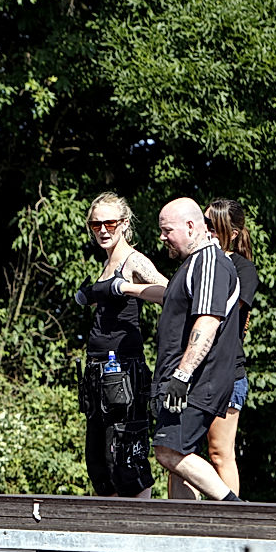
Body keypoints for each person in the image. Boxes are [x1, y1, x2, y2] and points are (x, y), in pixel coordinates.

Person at [121, 197, 242, 501]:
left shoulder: (210, 262)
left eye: (167, 230)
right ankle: (184, 528)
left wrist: (182, 376)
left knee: (168, 450)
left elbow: (208, 321)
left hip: (199, 380)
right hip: (182, 380)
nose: (162, 237)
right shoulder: (192, 264)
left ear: (190, 227)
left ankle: (237, 509)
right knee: (177, 459)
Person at [73, 193, 168, 498]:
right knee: (99, 463)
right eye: (96, 224)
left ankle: (139, 524)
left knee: (127, 458)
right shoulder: (107, 262)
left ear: (124, 224)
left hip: (123, 371)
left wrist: (125, 287)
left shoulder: (133, 260)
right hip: (97, 370)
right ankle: (110, 525)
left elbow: (170, 293)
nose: (103, 230)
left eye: (110, 223)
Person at [203, 198, 259, 496]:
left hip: (226, 372)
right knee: (177, 453)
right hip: (192, 371)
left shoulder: (243, 269)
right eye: (203, 222)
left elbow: (222, 313)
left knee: (219, 453)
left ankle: (231, 517)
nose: (205, 229)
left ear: (233, 233)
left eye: (212, 225)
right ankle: (179, 519)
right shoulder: (197, 262)